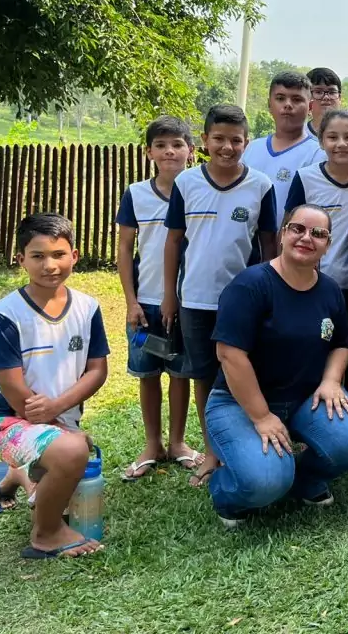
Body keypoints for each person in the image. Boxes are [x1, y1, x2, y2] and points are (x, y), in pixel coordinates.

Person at [205, 204, 348, 529]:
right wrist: (261, 416)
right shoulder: (250, 285)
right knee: (265, 481)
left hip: (304, 398)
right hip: (239, 403)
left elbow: (340, 343)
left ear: (327, 243)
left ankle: (304, 480)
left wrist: (331, 381)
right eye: (298, 229)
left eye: (317, 233)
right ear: (283, 234)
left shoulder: (329, 291)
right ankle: (226, 490)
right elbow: (230, 355)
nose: (306, 238)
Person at [162, 103, 278, 487]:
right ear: (204, 141)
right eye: (219, 139)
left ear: (247, 142)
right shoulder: (186, 184)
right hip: (195, 298)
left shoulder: (261, 185)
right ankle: (213, 452)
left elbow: (268, 247)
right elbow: (173, 242)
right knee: (204, 377)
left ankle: (245, 444)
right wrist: (169, 295)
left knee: (245, 373)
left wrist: (273, 295)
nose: (227, 147)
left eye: (236, 140)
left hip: (243, 302)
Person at [0, 214, 109, 558]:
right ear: (20, 260)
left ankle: (13, 478)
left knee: (75, 455)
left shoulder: (88, 308)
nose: (49, 265)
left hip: (56, 418)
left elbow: (97, 370)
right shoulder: (5, 315)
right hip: (9, 419)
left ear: (74, 255)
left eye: (58, 254)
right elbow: (11, 388)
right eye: (37, 256)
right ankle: (46, 533)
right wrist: (54, 424)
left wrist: (57, 411)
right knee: (73, 452)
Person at [116, 115, 203, 481]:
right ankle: (153, 443)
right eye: (162, 145)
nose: (170, 151)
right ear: (149, 151)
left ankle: (179, 442)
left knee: (180, 373)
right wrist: (131, 301)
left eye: (178, 144)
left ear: (191, 151)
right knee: (148, 373)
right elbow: (124, 249)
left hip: (187, 301)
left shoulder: (199, 189)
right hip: (146, 302)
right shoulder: (136, 193)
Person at [285, 110, 348, 401]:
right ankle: (310, 413)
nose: (341, 144)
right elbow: (289, 228)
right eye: (332, 137)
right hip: (313, 284)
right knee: (315, 350)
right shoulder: (306, 179)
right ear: (321, 141)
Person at [242, 71, 323, 227]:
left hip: (292, 246)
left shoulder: (318, 154)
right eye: (280, 98)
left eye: (297, 99)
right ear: (269, 104)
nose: (287, 104)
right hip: (247, 245)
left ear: (310, 106)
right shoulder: (251, 148)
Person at [305, 67, 343, 140]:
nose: (326, 97)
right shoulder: (297, 137)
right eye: (318, 92)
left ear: (340, 98)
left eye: (332, 92)